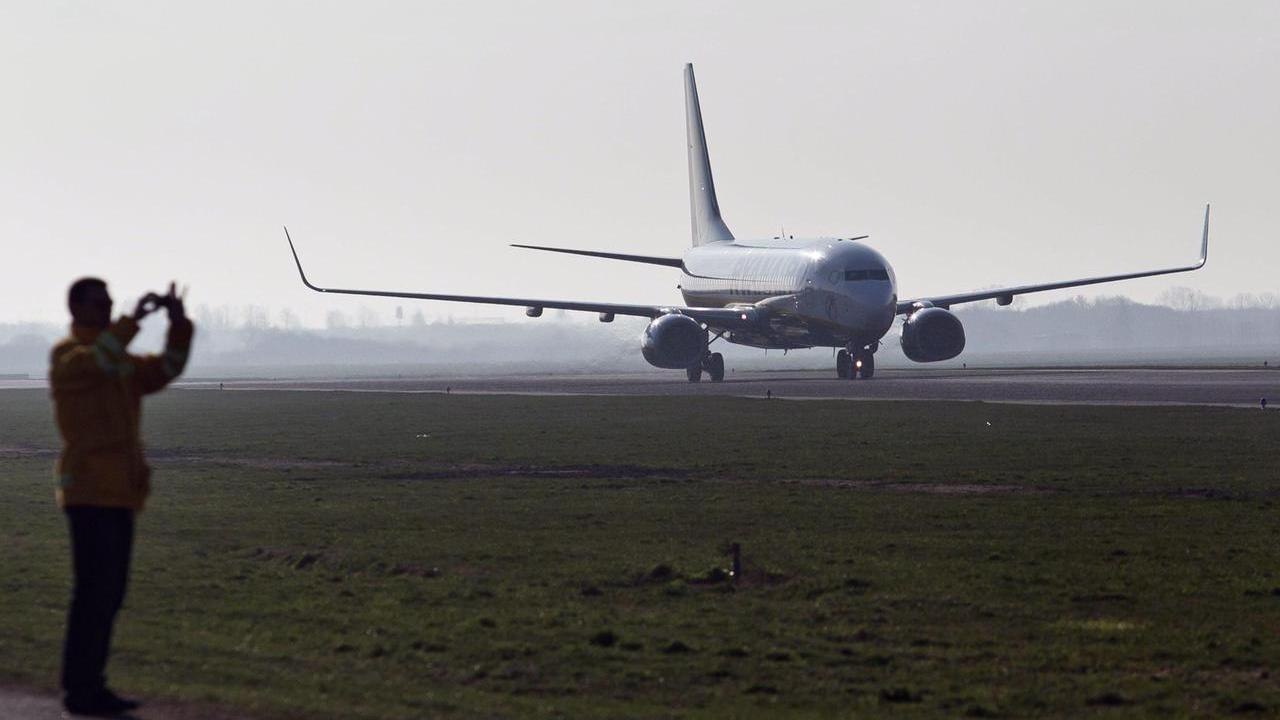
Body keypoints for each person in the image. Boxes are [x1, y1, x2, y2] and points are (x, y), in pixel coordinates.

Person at [50, 278, 194, 716]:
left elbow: (167, 367)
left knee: (109, 595)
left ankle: (92, 686)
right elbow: (101, 359)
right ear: (76, 307)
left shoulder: (117, 360)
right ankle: (81, 691)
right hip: (90, 492)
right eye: (102, 302)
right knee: (93, 594)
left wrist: (177, 322)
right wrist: (134, 319)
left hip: (121, 494)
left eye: (112, 301)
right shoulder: (70, 358)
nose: (110, 306)